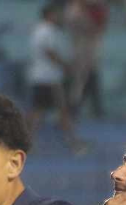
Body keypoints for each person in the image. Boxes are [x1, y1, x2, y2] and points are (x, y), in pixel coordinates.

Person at [27, 3, 83, 153]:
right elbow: (49, 51)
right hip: (48, 78)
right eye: (56, 14)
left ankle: (28, 142)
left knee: (40, 111)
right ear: (50, 15)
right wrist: (65, 66)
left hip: (42, 77)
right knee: (59, 110)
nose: (59, 17)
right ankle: (73, 143)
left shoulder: (39, 30)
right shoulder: (47, 31)